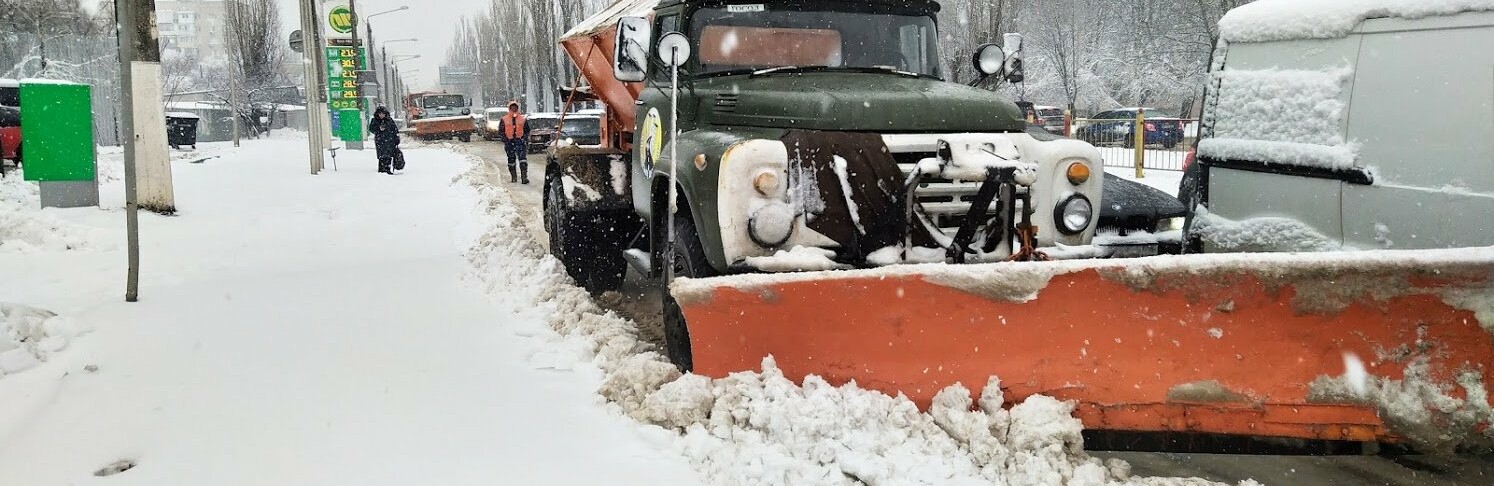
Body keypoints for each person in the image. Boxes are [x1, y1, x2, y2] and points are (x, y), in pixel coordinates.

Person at [497, 101, 530, 184]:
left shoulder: (522, 119)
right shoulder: (504, 119)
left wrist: (524, 138)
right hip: (509, 141)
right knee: (511, 160)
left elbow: (527, 130)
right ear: (509, 108)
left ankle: (524, 177)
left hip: (520, 141)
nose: (514, 108)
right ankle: (513, 177)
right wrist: (505, 139)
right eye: (512, 107)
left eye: (515, 107)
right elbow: (501, 131)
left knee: (523, 160)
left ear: (517, 108)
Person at [369, 106, 403, 175]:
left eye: (383, 114)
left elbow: (395, 129)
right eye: (380, 114)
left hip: (390, 141)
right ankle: (381, 169)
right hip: (380, 141)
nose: (381, 115)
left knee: (389, 155)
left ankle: (388, 168)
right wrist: (379, 129)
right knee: (382, 156)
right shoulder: (375, 120)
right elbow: (371, 129)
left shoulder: (389, 120)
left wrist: (397, 138)